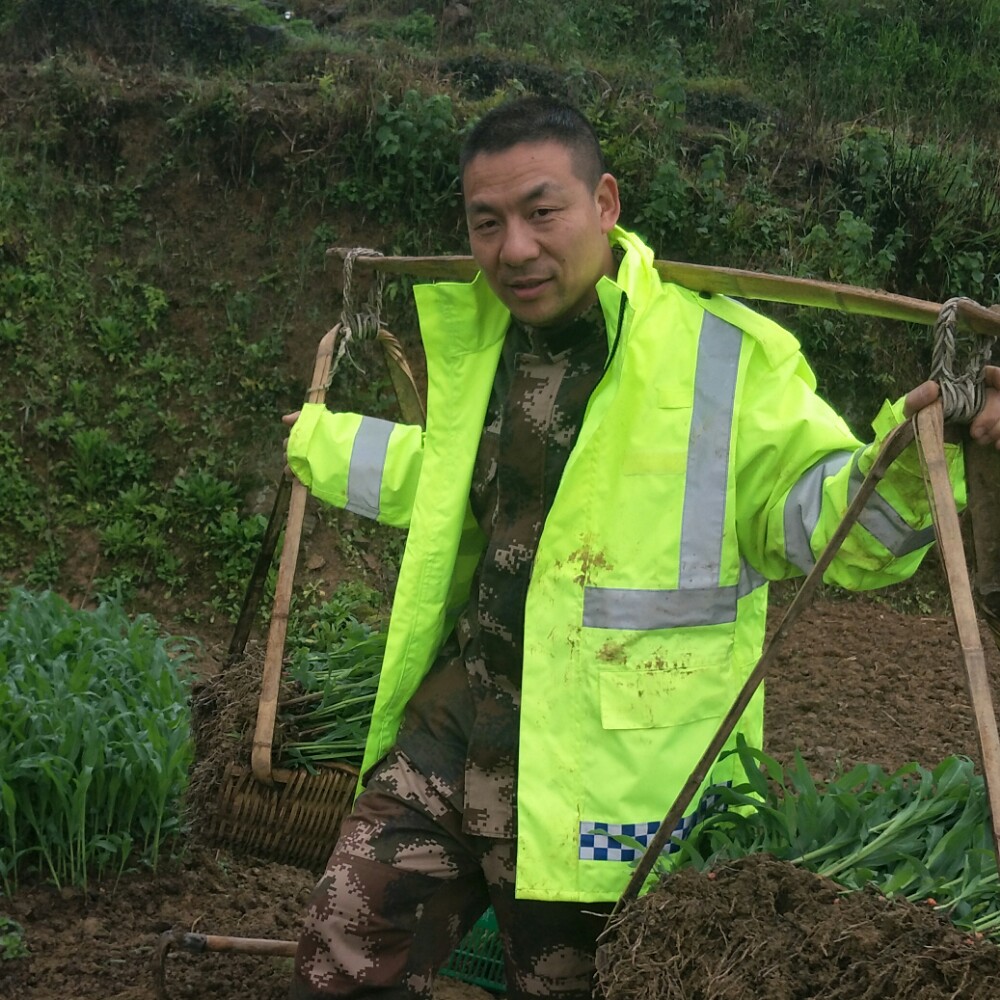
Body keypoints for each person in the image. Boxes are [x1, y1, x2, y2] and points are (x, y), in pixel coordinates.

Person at [283, 96, 1000, 999]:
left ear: (606, 203)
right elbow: (444, 480)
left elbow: (816, 529)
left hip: (609, 792)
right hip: (459, 728)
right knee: (342, 944)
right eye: (487, 222)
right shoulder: (482, 339)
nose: (514, 249)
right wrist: (315, 440)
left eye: (543, 212)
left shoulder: (726, 357)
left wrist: (904, 459)